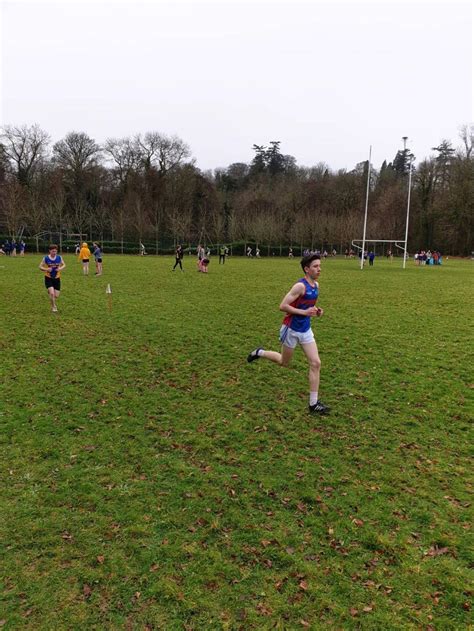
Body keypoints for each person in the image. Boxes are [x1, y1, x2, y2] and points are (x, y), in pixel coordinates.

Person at [247, 253, 330, 415]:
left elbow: (308, 305)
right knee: (284, 362)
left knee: (316, 363)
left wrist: (316, 311)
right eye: (315, 266)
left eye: (320, 266)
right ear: (306, 269)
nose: (319, 269)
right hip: (291, 329)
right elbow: (283, 306)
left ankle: (313, 404)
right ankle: (260, 352)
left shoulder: (316, 286)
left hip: (306, 330)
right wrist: (304, 312)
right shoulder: (299, 286)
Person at [39, 244, 66, 313]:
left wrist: (60, 268)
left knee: (56, 295)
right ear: (50, 251)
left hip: (57, 278)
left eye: (55, 251)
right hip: (48, 278)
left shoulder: (59, 257)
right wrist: (46, 269)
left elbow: (64, 265)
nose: (54, 253)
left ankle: (50, 291)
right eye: (53, 251)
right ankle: (54, 307)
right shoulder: (46, 258)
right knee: (52, 294)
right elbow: (40, 267)